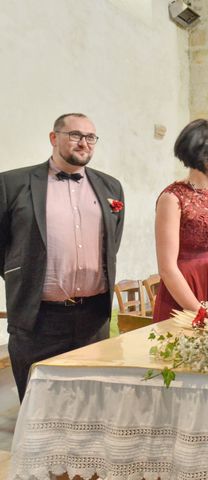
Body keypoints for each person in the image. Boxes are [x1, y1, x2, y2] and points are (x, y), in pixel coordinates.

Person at [0, 113, 124, 401]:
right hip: (39, 318)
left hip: (93, 317)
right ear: (54, 138)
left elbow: (112, 243)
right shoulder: (12, 184)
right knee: (39, 405)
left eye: (90, 137)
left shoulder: (111, 187)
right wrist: (24, 278)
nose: (84, 143)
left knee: (92, 403)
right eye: (75, 135)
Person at [153, 119, 208, 322]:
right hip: (185, 296)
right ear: (204, 150)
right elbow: (167, 268)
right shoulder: (172, 198)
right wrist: (200, 313)